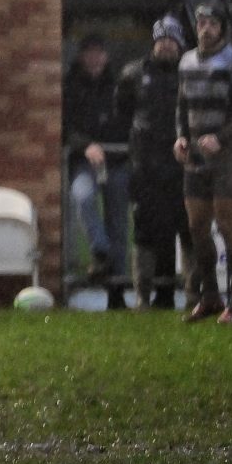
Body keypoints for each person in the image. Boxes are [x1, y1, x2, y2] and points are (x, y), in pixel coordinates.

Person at [173, 3, 232, 323]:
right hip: (195, 155)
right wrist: (180, 137)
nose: (205, 28)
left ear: (222, 28)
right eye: (201, 22)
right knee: (196, 227)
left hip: (228, 157)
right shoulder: (186, 60)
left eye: (211, 23)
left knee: (226, 226)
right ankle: (209, 295)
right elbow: (181, 106)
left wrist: (222, 137)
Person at [121, 15, 188, 311]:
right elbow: (121, 112)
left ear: (180, 43)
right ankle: (143, 297)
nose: (166, 45)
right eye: (161, 40)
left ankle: (193, 295)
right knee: (145, 232)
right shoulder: (133, 73)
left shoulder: (191, 72)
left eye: (171, 40)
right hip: (145, 168)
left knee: (187, 230)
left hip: (184, 167)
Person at [63, 33, 134, 307]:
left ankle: (116, 293)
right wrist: (86, 145)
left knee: (119, 223)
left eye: (99, 52)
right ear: (81, 56)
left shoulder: (120, 86)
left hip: (117, 163)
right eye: (89, 52)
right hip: (85, 162)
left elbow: (130, 121)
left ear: (106, 56)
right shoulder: (69, 87)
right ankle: (99, 250)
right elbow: (65, 126)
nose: (94, 58)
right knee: (82, 197)